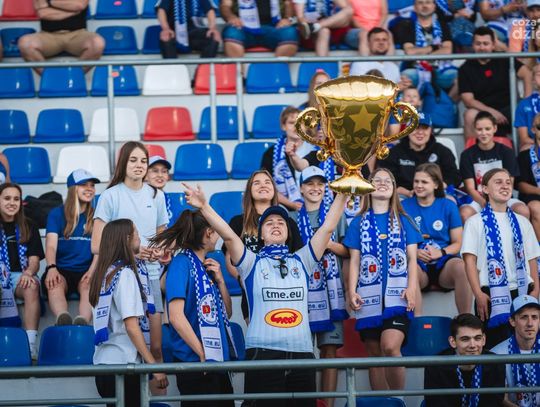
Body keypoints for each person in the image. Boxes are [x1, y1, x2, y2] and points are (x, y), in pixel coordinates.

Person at [183, 180, 348, 407]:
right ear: (260, 234)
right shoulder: (250, 262)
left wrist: (344, 193)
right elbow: (229, 236)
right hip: (263, 355)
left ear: (288, 232)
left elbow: (328, 228)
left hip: (302, 355)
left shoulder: (303, 260)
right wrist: (204, 206)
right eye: (269, 223)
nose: (276, 225)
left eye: (281, 222)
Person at [91, 141, 169, 395]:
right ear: (123, 163)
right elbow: (96, 244)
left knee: (156, 347)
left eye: (143, 161)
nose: (139, 165)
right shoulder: (110, 195)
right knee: (130, 333)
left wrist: (159, 251)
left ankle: (155, 399)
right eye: (133, 160)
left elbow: (161, 238)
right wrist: (133, 252)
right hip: (123, 274)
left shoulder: (157, 195)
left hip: (151, 274)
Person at [344, 168, 422, 391]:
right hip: (368, 297)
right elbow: (355, 261)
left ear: (395, 188)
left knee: (389, 346)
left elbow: (412, 260)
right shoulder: (357, 223)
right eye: (377, 180)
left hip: (398, 297)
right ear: (368, 188)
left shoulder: (404, 220)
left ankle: (397, 399)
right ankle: (382, 401)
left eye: (388, 180)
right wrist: (351, 291)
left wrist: (412, 288)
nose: (383, 183)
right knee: (374, 353)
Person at [150, 210, 235, 407]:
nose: (218, 237)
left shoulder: (207, 267)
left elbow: (227, 313)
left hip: (216, 360)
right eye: (216, 232)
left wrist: (221, 282)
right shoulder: (181, 263)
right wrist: (202, 353)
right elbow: (176, 317)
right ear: (208, 233)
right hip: (197, 362)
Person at [90, 219, 168, 407]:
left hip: (104, 363)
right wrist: (154, 366)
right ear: (126, 239)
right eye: (136, 233)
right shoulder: (125, 274)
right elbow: (131, 327)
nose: (139, 237)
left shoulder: (102, 274)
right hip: (124, 364)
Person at [289, 166, 349, 407]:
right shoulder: (291, 218)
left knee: (329, 350)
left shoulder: (337, 214)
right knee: (303, 352)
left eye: (320, 184)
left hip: (332, 293)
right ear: (301, 189)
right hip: (302, 292)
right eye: (310, 184)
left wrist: (326, 244)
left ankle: (328, 404)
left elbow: (348, 251)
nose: (315, 188)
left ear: (326, 188)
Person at [462, 168, 540, 348]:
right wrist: (478, 293)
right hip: (490, 294)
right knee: (495, 349)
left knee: (527, 348)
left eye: (508, 182)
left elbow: (532, 259)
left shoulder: (523, 221)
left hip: (522, 291)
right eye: (498, 182)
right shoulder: (475, 222)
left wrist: (536, 290)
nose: (505, 186)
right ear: (485, 189)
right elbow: (469, 262)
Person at [225, 169, 304, 323]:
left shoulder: (288, 222)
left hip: (286, 293)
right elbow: (230, 259)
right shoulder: (238, 222)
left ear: (274, 190)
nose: (263, 185)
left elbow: (298, 257)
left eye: (268, 182)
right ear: (249, 191)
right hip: (252, 295)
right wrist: (243, 279)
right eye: (257, 183)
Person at [402, 163, 471, 315]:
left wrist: (441, 252)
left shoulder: (448, 205)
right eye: (416, 181)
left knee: (462, 267)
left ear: (436, 184)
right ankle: (417, 322)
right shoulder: (403, 207)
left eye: (424, 182)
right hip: (418, 264)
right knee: (409, 269)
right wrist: (413, 253)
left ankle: (465, 320)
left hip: (443, 263)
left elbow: (458, 242)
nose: (419, 185)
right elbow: (397, 241)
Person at [44, 169, 100, 326]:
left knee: (88, 285)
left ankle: (82, 322)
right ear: (72, 188)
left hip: (86, 269)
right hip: (61, 269)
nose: (89, 189)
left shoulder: (97, 215)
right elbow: (51, 246)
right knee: (55, 283)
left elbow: (99, 250)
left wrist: (92, 272)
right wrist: (51, 268)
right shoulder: (56, 214)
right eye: (84, 185)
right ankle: (63, 318)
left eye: (92, 185)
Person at [458, 26, 532, 140]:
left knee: (527, 110)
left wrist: (526, 102)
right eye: (478, 44)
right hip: (484, 111)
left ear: (493, 45)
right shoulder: (465, 68)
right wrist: (491, 112)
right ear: (473, 45)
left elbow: (527, 74)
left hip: (510, 108)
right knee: (469, 114)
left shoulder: (504, 58)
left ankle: (525, 148)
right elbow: (468, 100)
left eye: (485, 44)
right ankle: (472, 151)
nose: (482, 47)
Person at [0, 183, 43, 359]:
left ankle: (30, 344)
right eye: (7, 198)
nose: (12, 203)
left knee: (31, 285)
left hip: (20, 276)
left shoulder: (29, 225)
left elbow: (34, 260)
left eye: (16, 199)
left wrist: (28, 273)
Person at [424, 313, 506, 406]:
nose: (472, 345)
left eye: (477, 338)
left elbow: (495, 402)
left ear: (483, 340)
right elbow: (435, 403)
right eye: (465, 339)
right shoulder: (435, 366)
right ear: (453, 341)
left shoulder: (496, 364)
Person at [459, 111, 528, 222]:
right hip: (479, 199)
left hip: (504, 197)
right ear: (474, 130)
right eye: (479, 129)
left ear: (495, 128)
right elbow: (470, 188)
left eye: (487, 129)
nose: (483, 133)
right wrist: (485, 203)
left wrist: (499, 202)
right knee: (464, 213)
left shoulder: (507, 152)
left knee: (522, 210)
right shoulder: (467, 155)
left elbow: (509, 183)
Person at [377, 112, 461, 199]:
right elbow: (386, 179)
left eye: (425, 128)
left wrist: (438, 187)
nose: (420, 132)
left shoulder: (442, 151)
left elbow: (455, 176)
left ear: (430, 130)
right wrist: (407, 192)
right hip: (403, 196)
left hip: (436, 195)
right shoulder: (393, 153)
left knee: (450, 200)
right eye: (415, 127)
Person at [17, 0, 104, 73]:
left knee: (97, 43)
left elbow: (79, 5)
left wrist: (50, 2)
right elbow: (43, 13)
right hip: (48, 35)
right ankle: (49, 78)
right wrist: (72, 10)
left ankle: (75, 76)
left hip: (78, 34)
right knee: (25, 43)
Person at [261, 106, 319, 210]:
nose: (296, 127)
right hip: (285, 208)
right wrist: (291, 204)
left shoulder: (316, 150)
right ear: (283, 126)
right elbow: (266, 185)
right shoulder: (271, 153)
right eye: (292, 123)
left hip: (316, 206)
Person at [492, 294, 540, 407]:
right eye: (524, 317)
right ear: (512, 321)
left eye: (534, 317)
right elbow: (502, 398)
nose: (530, 323)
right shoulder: (497, 353)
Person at [400, 0, 457, 91]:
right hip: (417, 70)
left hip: (441, 69)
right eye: (420, 3)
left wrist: (425, 56)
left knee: (458, 75)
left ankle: (449, 100)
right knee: (407, 76)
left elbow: (447, 50)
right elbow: (410, 52)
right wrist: (433, 47)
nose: (424, 5)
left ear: (434, 6)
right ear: (415, 7)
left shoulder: (443, 26)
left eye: (428, 2)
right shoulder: (408, 26)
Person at [220, 0, 298, 57]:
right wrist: (231, 17)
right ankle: (239, 73)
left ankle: (277, 71)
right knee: (231, 33)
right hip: (243, 27)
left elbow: (288, 3)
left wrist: (287, 19)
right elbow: (225, 5)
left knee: (290, 33)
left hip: (274, 27)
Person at [155, 0, 221, 58]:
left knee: (213, 36)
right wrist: (166, 29)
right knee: (166, 37)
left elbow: (210, 11)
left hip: (194, 33)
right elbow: (161, 10)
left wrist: (212, 28)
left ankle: (204, 67)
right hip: (174, 33)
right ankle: (173, 67)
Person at [517, 113, 540, 241]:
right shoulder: (524, 155)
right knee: (536, 208)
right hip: (533, 196)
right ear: (533, 129)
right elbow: (520, 185)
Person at [515, 63, 540, 151]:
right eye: (539, 74)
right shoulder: (524, 104)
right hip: (534, 144)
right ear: (533, 80)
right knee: (525, 149)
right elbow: (524, 139)